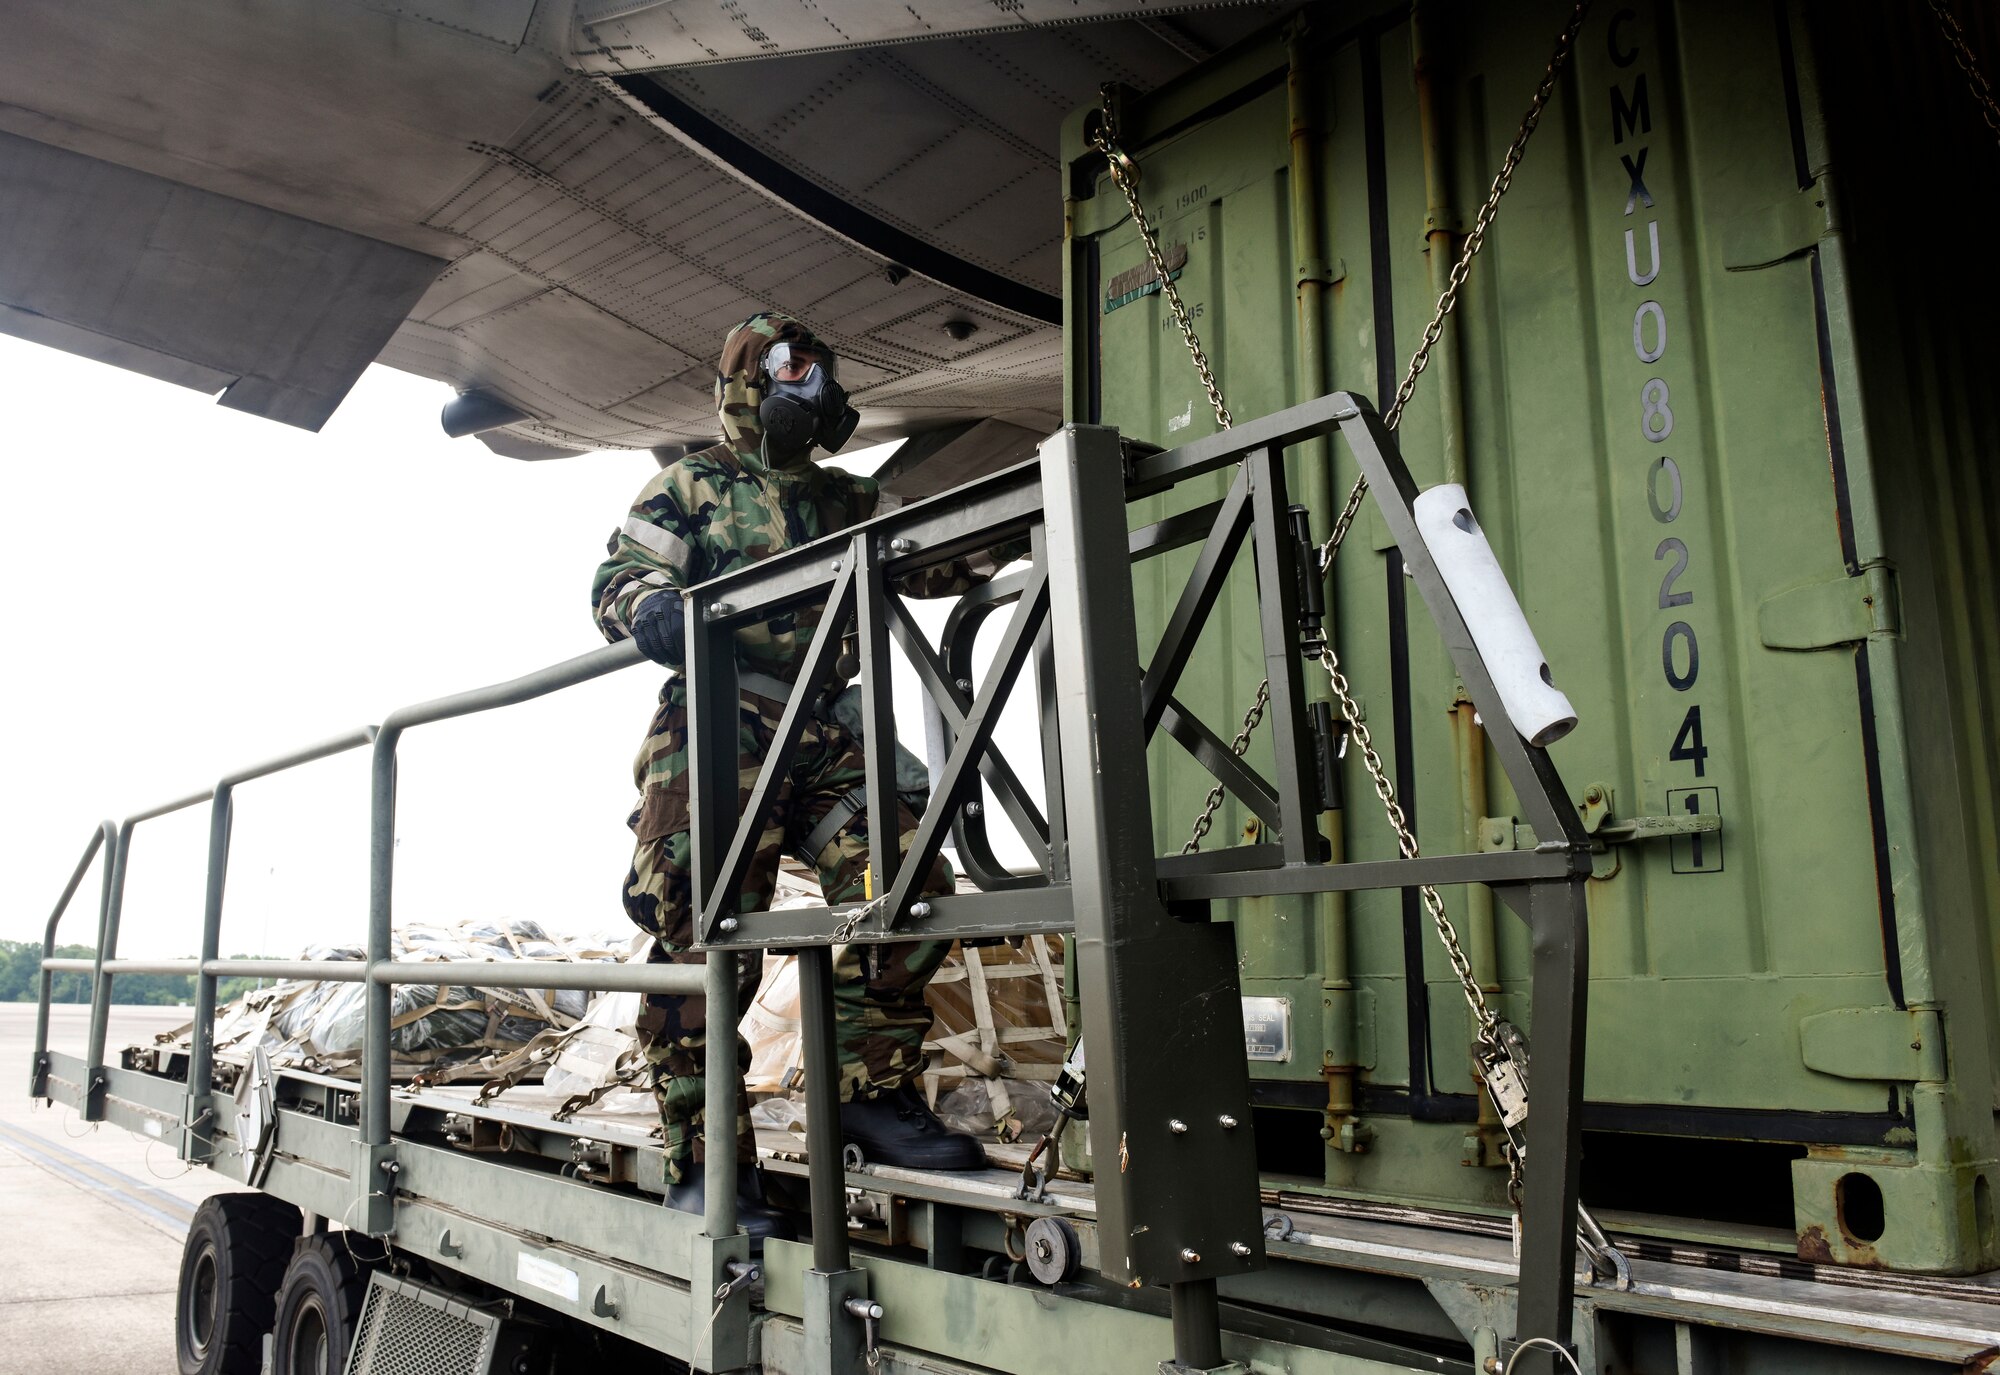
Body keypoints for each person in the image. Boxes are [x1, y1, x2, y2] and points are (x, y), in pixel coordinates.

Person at [592, 312, 1006, 1238]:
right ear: (746, 385)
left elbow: (934, 557)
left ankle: (867, 1091)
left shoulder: (849, 501)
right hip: (719, 717)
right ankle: (706, 1158)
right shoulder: (688, 487)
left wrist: (1025, 520)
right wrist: (651, 606)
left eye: (817, 369)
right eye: (789, 369)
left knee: (907, 880)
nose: (807, 385)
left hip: (823, 721)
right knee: (700, 929)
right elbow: (616, 583)